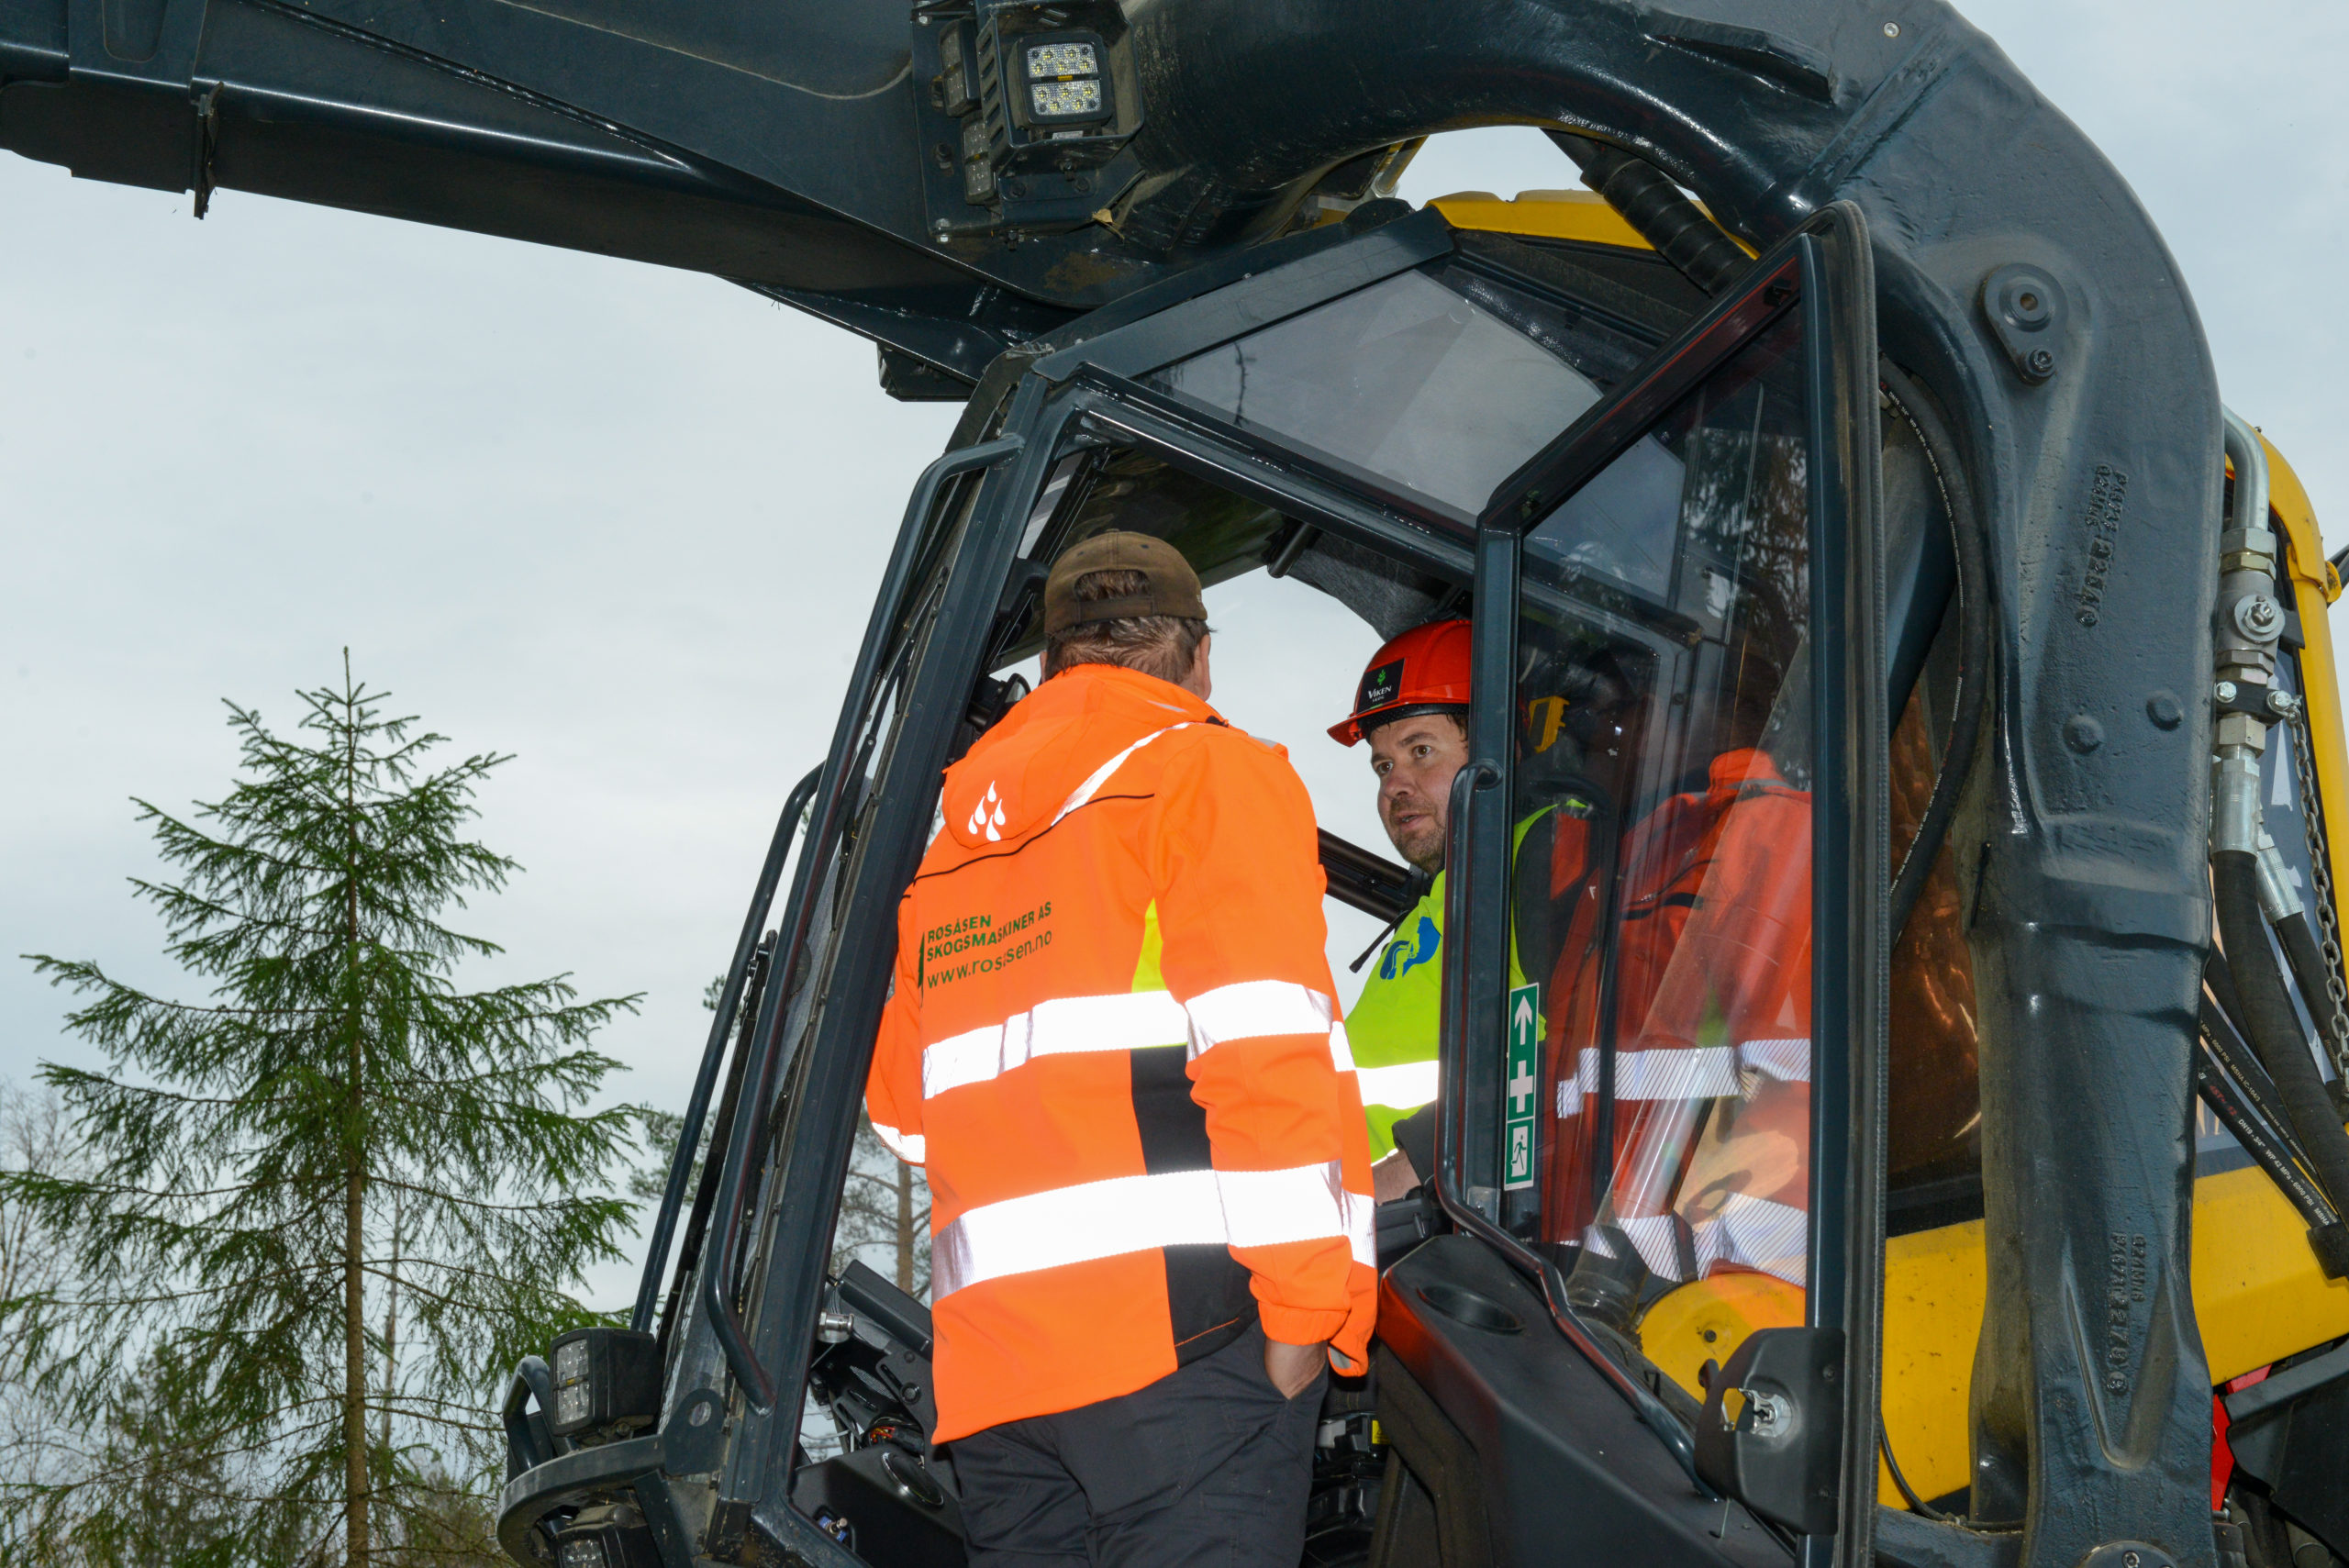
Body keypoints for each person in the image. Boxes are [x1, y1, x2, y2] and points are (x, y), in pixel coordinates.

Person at [866, 529, 1376, 1568]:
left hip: (999, 1390)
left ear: (1055, 664)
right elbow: (1265, 1051)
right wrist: (1302, 1312)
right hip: (1183, 1359)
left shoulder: (952, 840)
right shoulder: (1204, 773)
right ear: (1197, 653)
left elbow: (904, 1118)